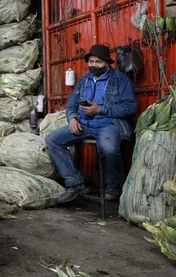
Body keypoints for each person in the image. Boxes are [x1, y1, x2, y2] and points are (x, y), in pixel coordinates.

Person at [45, 44, 137, 204]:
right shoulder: (84, 81)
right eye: (91, 61)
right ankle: (75, 183)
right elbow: (72, 103)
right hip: (85, 125)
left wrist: (100, 110)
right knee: (52, 139)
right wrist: (72, 118)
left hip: (109, 125)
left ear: (107, 63)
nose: (94, 65)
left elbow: (130, 107)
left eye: (98, 62)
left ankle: (113, 188)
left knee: (108, 148)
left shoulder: (120, 80)